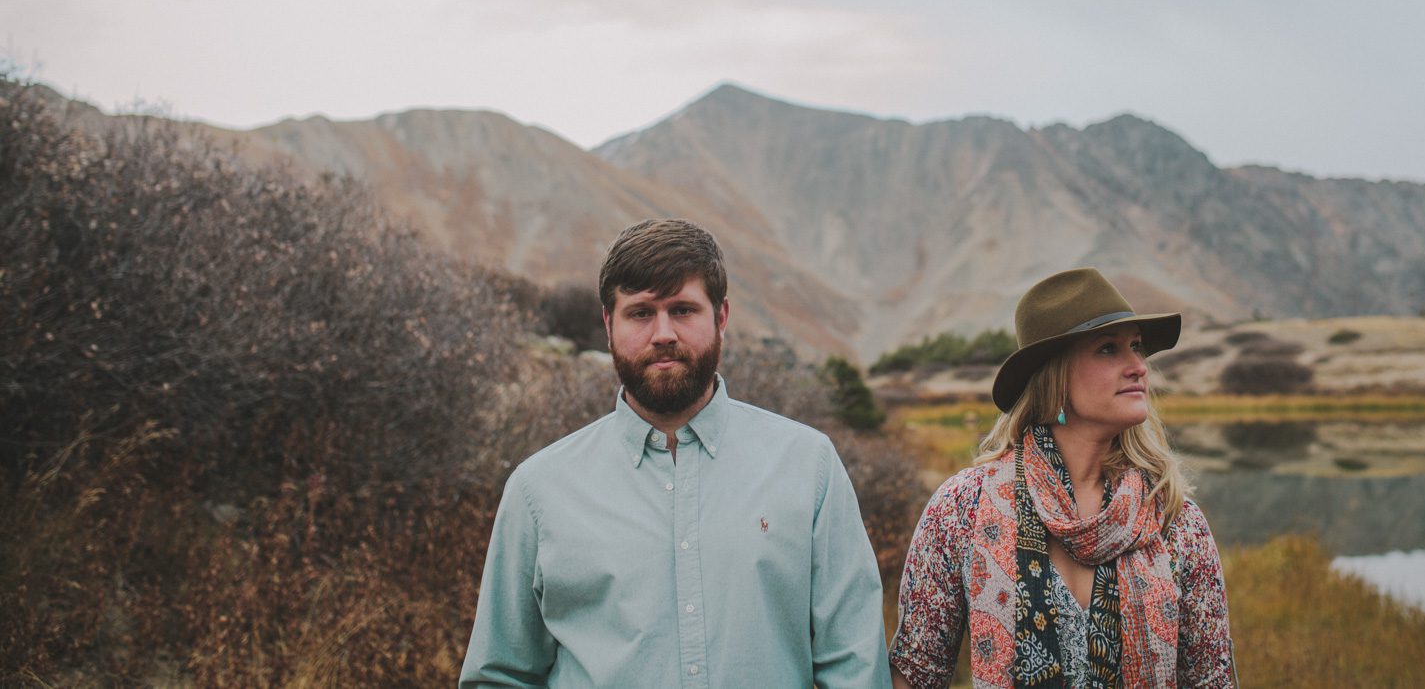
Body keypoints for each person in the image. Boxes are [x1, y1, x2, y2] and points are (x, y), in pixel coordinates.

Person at [461, 218, 891, 689]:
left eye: (683, 310)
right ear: (608, 324)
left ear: (721, 317)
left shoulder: (809, 467)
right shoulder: (537, 490)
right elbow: (500, 675)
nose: (663, 333)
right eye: (641, 313)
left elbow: (854, 664)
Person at [889, 269, 1237, 689]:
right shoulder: (963, 507)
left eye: (1137, 347)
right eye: (1108, 349)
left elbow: (1211, 680)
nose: (1138, 368)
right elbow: (913, 675)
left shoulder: (1174, 520)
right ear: (1054, 378)